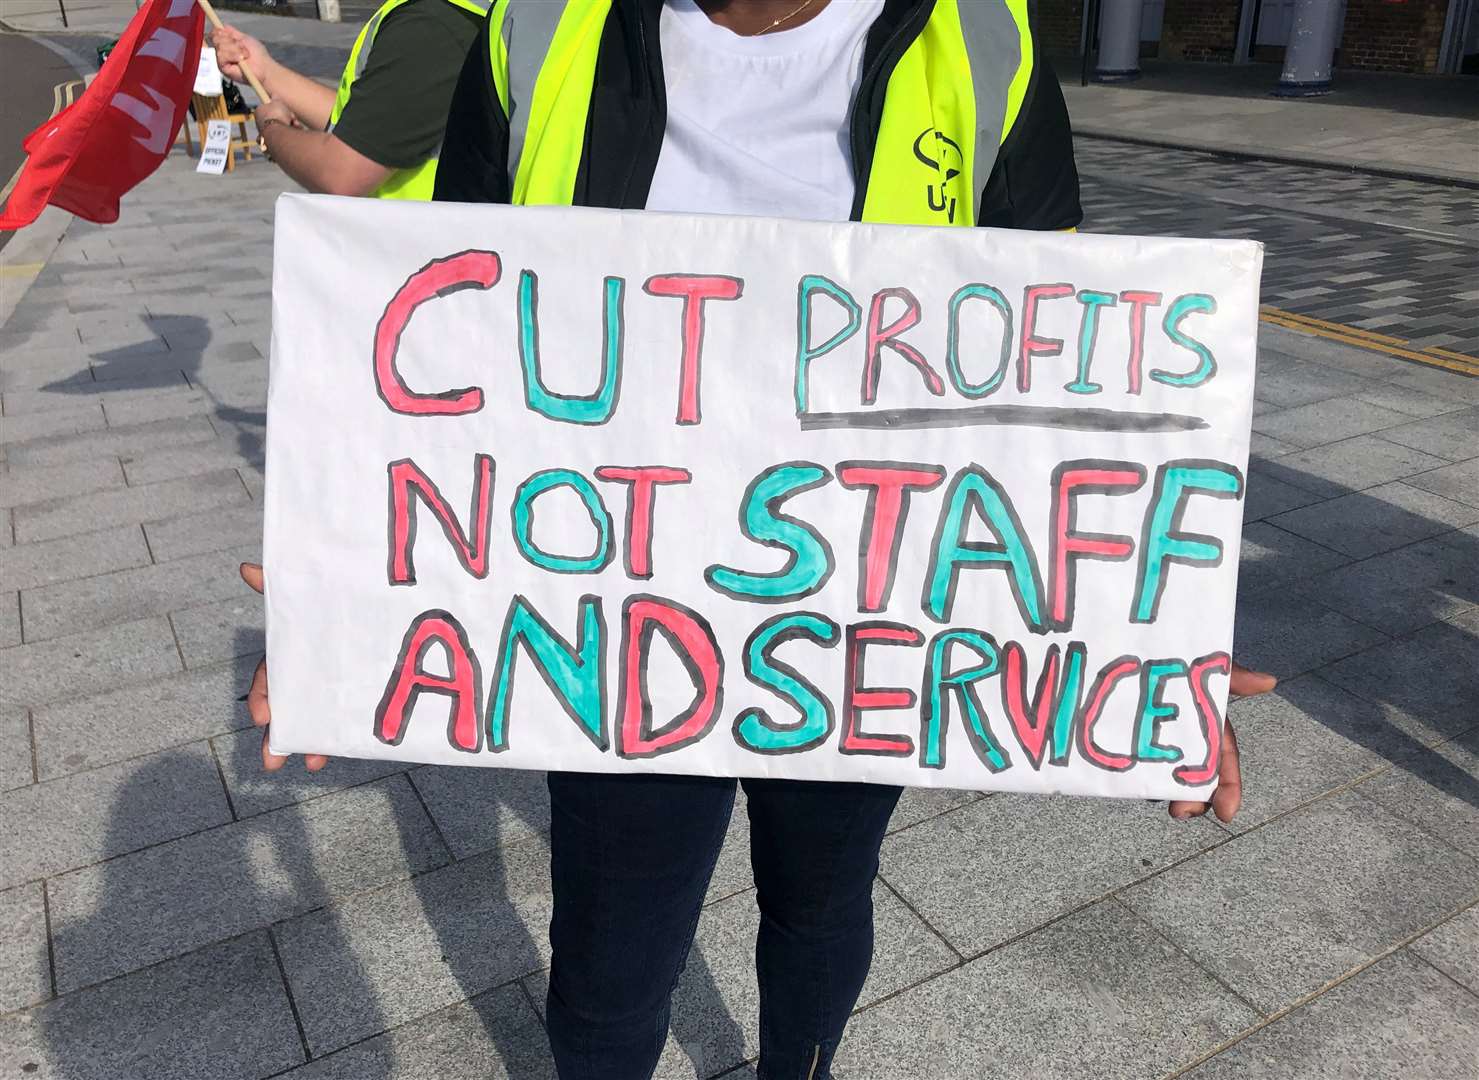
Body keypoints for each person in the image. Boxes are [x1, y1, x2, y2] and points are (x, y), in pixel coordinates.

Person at [244, 1, 1280, 1075]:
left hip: (860, 615)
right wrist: (356, 577)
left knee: (821, 905)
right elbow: (455, 338)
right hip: (612, 608)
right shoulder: (538, 26)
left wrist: (1156, 646)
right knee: (608, 959)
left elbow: (1051, 370)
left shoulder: (980, 36)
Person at [208, 0, 488, 198]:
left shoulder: (434, 21)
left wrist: (271, 128)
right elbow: (370, 127)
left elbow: (341, 171)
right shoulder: (440, 14)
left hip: (418, 259)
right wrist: (266, 72)